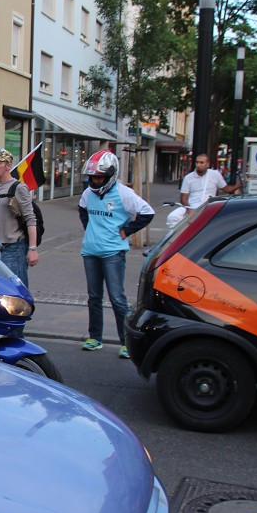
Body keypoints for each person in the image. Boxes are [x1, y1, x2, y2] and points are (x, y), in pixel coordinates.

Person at [77, 150, 154, 358]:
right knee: (94, 298)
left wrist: (126, 231)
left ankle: (126, 342)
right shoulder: (88, 193)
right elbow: (82, 210)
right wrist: (90, 229)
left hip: (113, 253)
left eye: (99, 177)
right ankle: (95, 338)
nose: (94, 181)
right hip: (90, 251)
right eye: (92, 177)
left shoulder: (123, 193)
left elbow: (147, 212)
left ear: (111, 175)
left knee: (117, 298)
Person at [0, 147, 39, 288]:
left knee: (17, 291)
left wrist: (32, 249)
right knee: (2, 291)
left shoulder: (18, 188)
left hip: (14, 249)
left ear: (8, 166)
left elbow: (31, 219)